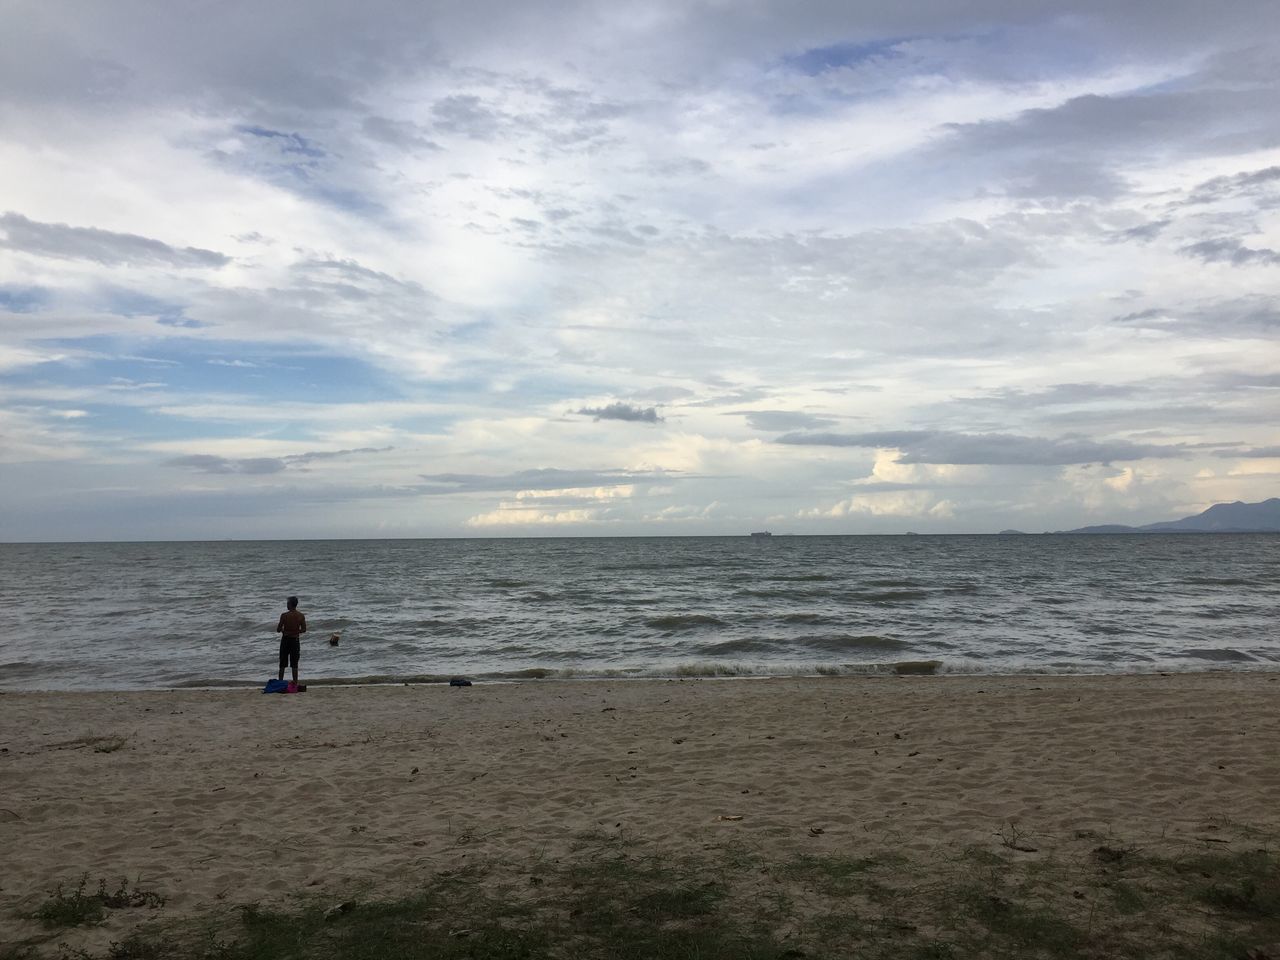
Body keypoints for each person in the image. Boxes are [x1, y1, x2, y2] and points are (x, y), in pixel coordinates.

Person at [275, 596, 306, 684]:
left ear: (291, 604)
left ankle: (280, 683)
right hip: (295, 640)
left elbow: (278, 629)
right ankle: (295, 683)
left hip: (285, 640)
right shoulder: (301, 616)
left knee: (282, 664)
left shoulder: (284, 615)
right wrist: (295, 631)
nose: (287, 605)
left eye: (288, 603)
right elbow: (304, 630)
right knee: (294, 664)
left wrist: (285, 631)